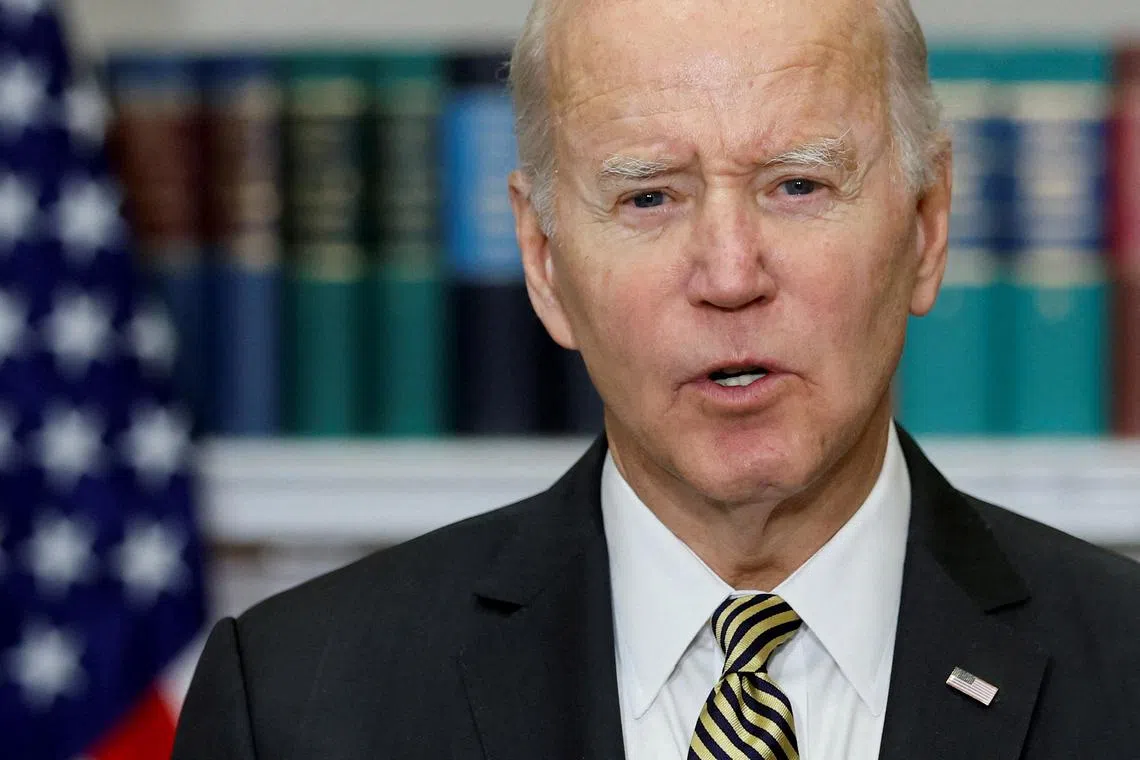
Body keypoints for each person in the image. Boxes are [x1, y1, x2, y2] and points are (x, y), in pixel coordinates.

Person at [172, 0, 1140, 757]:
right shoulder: (299, 703)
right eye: (648, 197)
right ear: (544, 261)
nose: (729, 274)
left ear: (926, 229)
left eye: (797, 185)